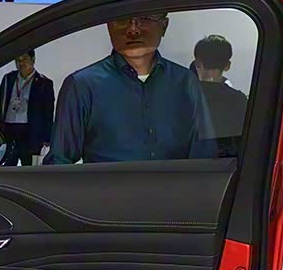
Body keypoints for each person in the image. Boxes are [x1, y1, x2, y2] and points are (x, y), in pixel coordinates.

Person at [45, 13, 214, 164]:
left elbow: (205, 155)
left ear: (164, 26)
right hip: (106, 189)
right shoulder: (82, 85)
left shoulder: (185, 81)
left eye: (145, 19)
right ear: (109, 26)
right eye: (122, 19)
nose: (133, 30)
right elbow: (59, 161)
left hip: (177, 188)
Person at [0, 50, 55, 165]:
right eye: (17, 60)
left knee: (28, 167)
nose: (21, 63)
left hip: (30, 131)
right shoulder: (8, 78)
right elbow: (0, 105)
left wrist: (47, 137)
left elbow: (48, 112)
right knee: (6, 166)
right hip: (9, 129)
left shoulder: (44, 83)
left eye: (24, 59)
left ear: (33, 60)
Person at [192, 34, 248, 157]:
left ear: (197, 63)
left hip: (191, 164)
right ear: (228, 65)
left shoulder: (183, 97)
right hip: (227, 164)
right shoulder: (240, 100)